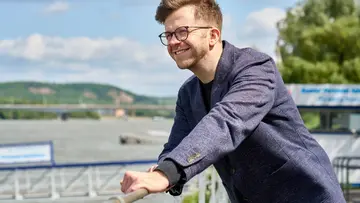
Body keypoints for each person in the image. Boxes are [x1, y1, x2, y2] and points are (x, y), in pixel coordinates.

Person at [120, 0, 346, 202]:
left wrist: (168, 172)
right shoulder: (188, 94)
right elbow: (176, 146)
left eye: (182, 32)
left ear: (213, 36)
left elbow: (226, 122)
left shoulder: (256, 69)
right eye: (168, 35)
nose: (173, 42)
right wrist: (161, 169)